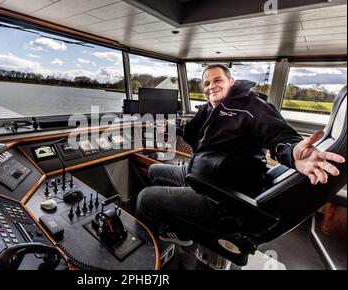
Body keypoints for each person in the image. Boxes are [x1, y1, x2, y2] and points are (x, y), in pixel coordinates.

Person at [136, 64, 345, 246]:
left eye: (217, 80)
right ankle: (176, 226)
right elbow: (198, 133)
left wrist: (293, 152)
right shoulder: (212, 108)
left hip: (220, 194)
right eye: (206, 84)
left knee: (146, 198)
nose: (211, 87)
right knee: (154, 169)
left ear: (231, 81)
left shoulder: (251, 106)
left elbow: (279, 136)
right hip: (198, 174)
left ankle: (153, 241)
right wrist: (173, 129)